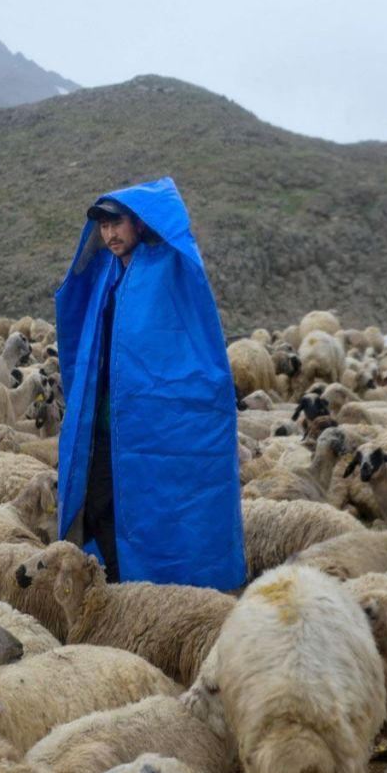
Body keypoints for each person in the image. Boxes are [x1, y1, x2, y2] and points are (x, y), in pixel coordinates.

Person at [54, 177, 245, 590]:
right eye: (103, 227)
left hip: (156, 422)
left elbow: (183, 343)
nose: (109, 234)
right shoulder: (105, 275)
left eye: (116, 224)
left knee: (163, 505)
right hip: (106, 418)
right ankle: (117, 584)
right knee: (97, 502)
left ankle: (166, 591)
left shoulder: (168, 271)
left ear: (137, 224)